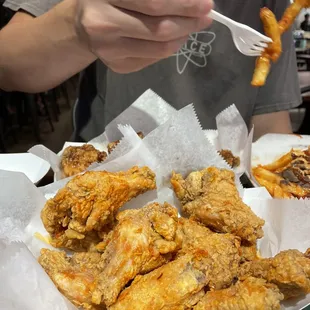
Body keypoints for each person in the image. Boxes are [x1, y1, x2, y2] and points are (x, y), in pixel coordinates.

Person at [1, 0, 301, 142]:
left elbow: (271, 123)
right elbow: (8, 65)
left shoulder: (272, 9)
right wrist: (75, 27)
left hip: (229, 180)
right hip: (106, 166)